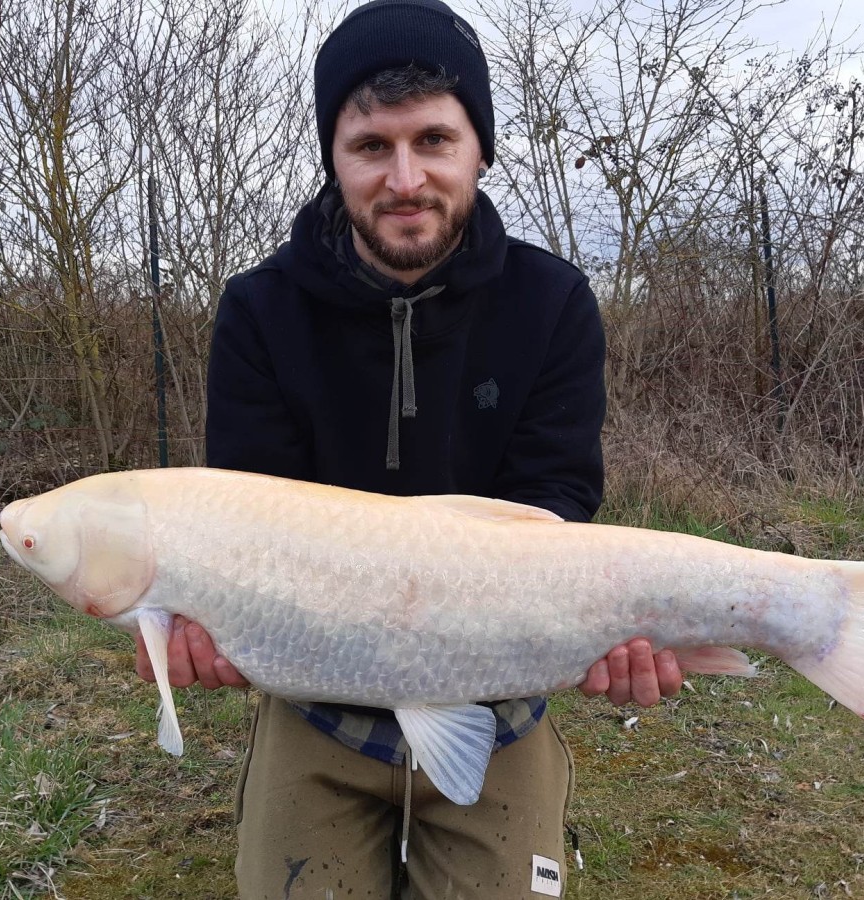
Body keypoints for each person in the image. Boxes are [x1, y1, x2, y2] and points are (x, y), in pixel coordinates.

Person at [136, 1, 682, 895]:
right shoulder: (258, 311)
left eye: (434, 139)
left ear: (479, 148)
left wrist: (608, 631)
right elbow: (246, 520)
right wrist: (204, 624)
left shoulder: (552, 303)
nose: (404, 178)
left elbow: (554, 501)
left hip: (496, 689)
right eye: (370, 146)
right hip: (317, 698)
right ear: (333, 156)